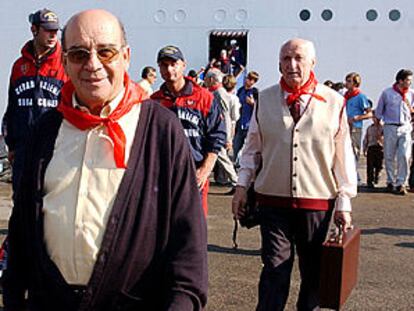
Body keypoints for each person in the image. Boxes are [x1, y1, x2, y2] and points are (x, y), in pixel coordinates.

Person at [3, 9, 207, 311]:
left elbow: (188, 244)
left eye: (106, 52)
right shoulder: (45, 130)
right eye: (79, 54)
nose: (92, 64)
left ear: (126, 56)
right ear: (65, 62)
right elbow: (21, 229)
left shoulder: (161, 130)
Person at [232, 38, 357, 311]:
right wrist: (242, 186)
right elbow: (252, 148)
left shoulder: (335, 102)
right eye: (286, 59)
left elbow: (343, 155)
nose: (292, 65)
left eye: (299, 58)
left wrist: (344, 201)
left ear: (313, 63)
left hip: (317, 202)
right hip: (272, 202)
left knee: (313, 273)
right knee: (274, 269)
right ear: (279, 64)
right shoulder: (264, 99)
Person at [152, 45, 226, 215]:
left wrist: (205, 170)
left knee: (193, 229)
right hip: (163, 177)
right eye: (164, 65)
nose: (169, 69)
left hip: (194, 173)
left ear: (183, 65)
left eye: (173, 63)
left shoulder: (204, 97)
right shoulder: (154, 102)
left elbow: (217, 136)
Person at [1, 8, 67, 193]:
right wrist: (11, 146)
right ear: (34, 30)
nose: (53, 35)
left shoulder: (65, 64)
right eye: (48, 30)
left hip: (54, 150)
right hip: (23, 149)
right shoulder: (18, 66)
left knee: (49, 204)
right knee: (21, 204)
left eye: (55, 31)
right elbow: (12, 108)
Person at [375, 69, 414, 195]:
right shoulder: (387, 93)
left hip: (405, 126)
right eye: (408, 80)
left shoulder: (411, 94)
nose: (410, 82)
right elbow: (378, 113)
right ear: (400, 80)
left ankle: (401, 182)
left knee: (405, 155)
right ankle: (391, 181)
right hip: (390, 126)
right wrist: (378, 129)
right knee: (389, 155)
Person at [204, 69, 239, 191]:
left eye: (206, 78)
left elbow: (226, 116)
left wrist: (228, 137)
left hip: (219, 132)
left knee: (222, 158)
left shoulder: (219, 93)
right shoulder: (215, 92)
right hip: (213, 131)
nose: (205, 81)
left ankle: (236, 182)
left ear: (212, 79)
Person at [233, 71, 259, 163]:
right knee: (235, 146)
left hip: (249, 124)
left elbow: (260, 107)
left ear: (253, 82)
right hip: (240, 124)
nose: (247, 80)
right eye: (248, 78)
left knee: (249, 148)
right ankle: (234, 164)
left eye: (250, 79)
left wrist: (253, 103)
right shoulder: (240, 90)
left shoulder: (255, 92)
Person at [344, 72, 372, 159]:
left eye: (349, 81)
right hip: (345, 126)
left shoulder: (360, 97)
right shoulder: (345, 96)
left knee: (354, 150)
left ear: (355, 83)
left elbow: (369, 114)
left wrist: (358, 117)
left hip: (355, 127)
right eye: (346, 81)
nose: (346, 84)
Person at [363, 114, 384, 188]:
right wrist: (364, 148)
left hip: (380, 148)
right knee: (370, 166)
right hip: (371, 147)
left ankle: (377, 176)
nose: (375, 119)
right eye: (374, 117)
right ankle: (370, 181)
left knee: (379, 165)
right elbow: (366, 139)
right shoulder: (369, 128)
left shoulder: (383, 128)